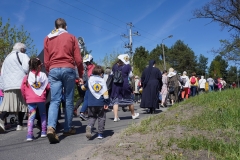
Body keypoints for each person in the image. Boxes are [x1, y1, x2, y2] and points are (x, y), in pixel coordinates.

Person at [44, 18, 84, 143]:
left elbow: (46, 60)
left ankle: (51, 127)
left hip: (54, 70)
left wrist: (50, 70)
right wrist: (81, 74)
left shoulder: (47, 38)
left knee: (55, 100)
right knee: (68, 100)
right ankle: (67, 128)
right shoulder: (72, 37)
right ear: (65, 26)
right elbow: (78, 59)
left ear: (55, 26)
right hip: (68, 69)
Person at [0, 42, 30, 132]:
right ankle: (18, 124)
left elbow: (2, 73)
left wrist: (2, 86)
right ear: (21, 49)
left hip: (8, 85)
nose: (25, 51)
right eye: (25, 50)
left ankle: (16, 123)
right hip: (19, 83)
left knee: (10, 104)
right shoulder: (22, 55)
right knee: (22, 104)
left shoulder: (7, 58)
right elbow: (26, 68)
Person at [21, 58, 50, 141]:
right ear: (38, 65)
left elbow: (22, 88)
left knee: (31, 116)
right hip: (41, 98)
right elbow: (48, 86)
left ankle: (29, 134)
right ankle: (44, 131)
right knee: (43, 114)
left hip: (30, 99)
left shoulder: (27, 77)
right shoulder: (43, 75)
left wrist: (25, 97)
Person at [80, 65, 109, 139]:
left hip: (91, 103)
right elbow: (105, 93)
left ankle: (89, 126)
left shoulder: (90, 80)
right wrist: (106, 102)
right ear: (101, 74)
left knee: (92, 117)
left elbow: (83, 88)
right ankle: (100, 134)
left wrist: (81, 85)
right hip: (100, 103)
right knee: (101, 118)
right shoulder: (102, 81)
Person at [110, 54, 139, 121]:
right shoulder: (128, 66)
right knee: (129, 100)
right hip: (124, 84)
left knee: (116, 101)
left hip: (115, 84)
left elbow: (111, 75)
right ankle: (133, 114)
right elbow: (131, 75)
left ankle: (116, 117)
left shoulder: (114, 66)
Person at [78, 54, 95, 121]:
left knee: (86, 98)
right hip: (92, 84)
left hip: (84, 84)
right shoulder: (93, 67)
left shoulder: (83, 67)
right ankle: (85, 112)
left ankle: (84, 112)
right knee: (89, 99)